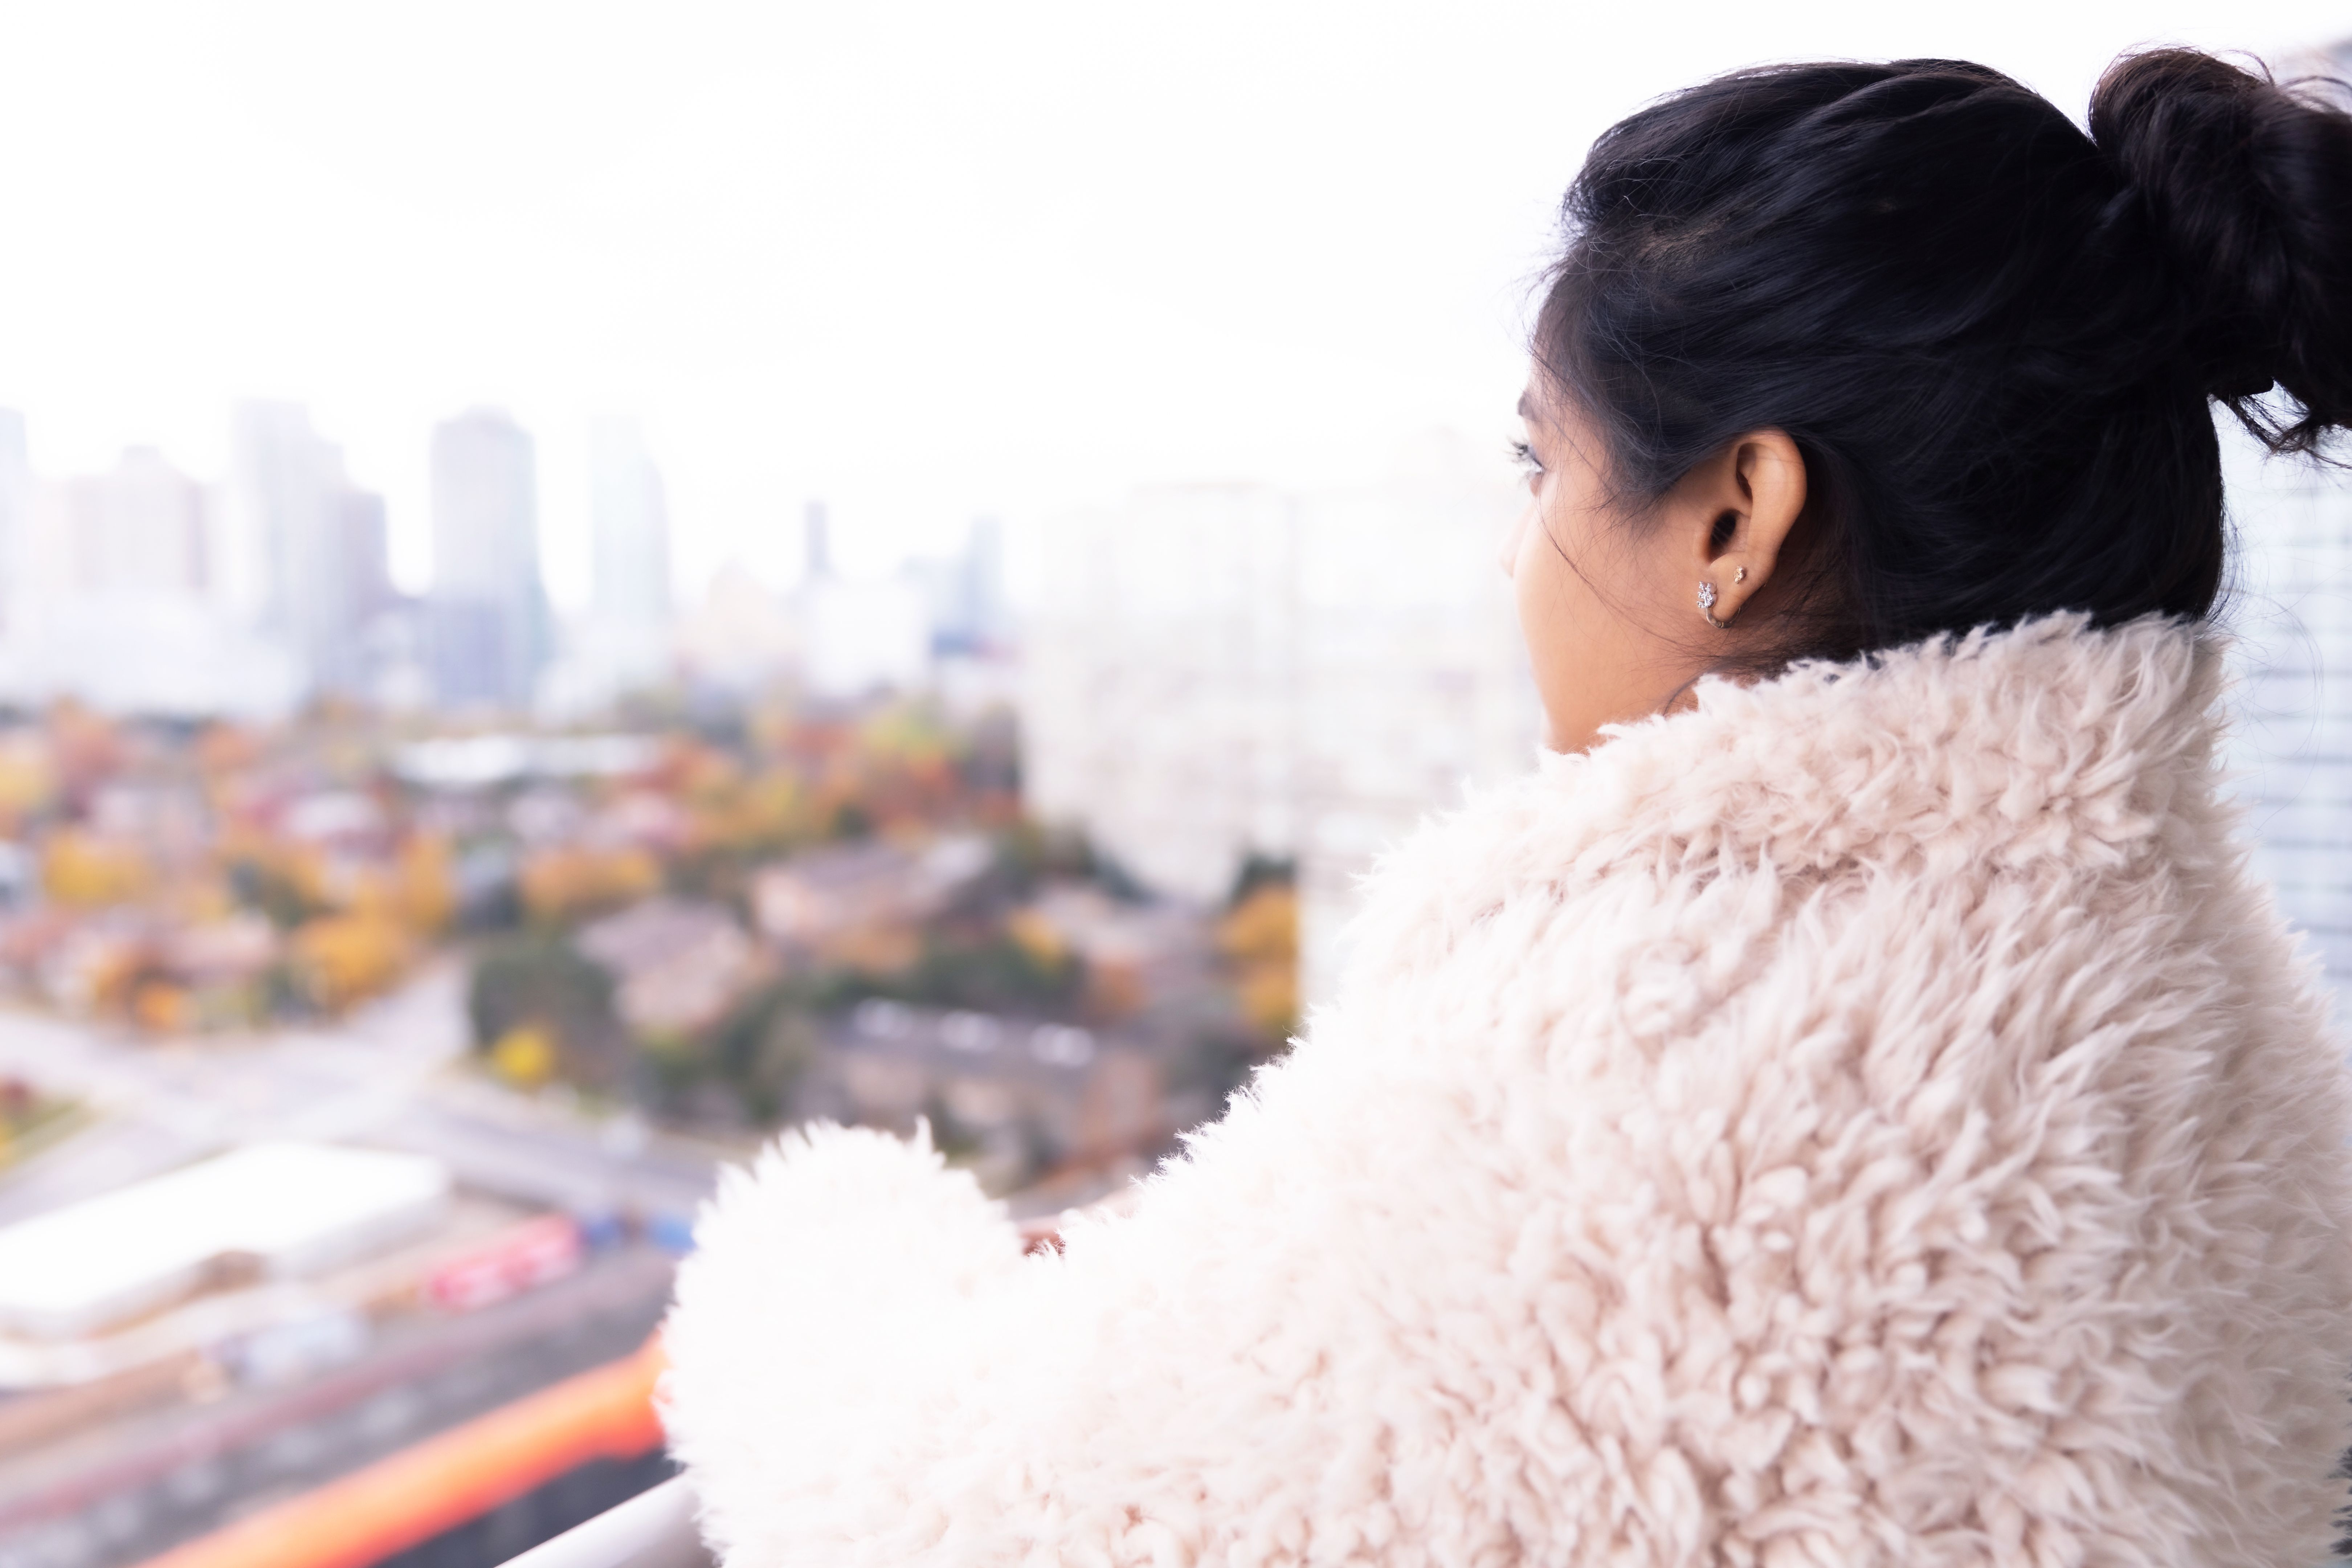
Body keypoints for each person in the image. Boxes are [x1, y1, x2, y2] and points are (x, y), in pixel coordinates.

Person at [661, 49, 2352, 1567]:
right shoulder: (2219, 1023)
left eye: (1542, 467)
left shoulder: (1633, 1067)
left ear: (1735, 518)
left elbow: (946, 1512)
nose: (1511, 551)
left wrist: (824, 1247)